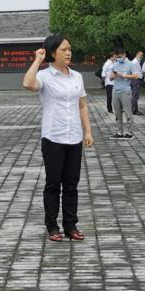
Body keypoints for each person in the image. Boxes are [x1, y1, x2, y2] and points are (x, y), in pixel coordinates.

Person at [22, 34, 93, 242]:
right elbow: (27, 84)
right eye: (64, 49)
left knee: (71, 185)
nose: (68, 53)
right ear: (53, 53)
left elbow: (82, 105)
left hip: (74, 137)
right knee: (53, 184)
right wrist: (38, 60)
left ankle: (71, 225)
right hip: (53, 137)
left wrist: (88, 131)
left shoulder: (77, 77)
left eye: (69, 49)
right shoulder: (44, 76)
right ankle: (52, 226)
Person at [108, 47, 139, 140]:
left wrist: (123, 75)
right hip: (115, 91)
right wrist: (113, 76)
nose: (119, 58)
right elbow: (110, 78)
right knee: (117, 113)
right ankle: (119, 132)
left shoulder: (130, 64)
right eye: (117, 57)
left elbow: (136, 76)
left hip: (125, 91)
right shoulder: (114, 64)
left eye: (120, 56)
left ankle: (130, 133)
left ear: (124, 54)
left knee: (128, 113)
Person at [130, 50, 145, 114]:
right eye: (141, 55)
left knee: (135, 95)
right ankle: (134, 110)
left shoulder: (137, 62)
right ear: (137, 55)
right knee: (135, 95)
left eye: (142, 55)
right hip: (135, 80)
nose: (142, 57)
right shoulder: (135, 62)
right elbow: (134, 72)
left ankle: (134, 109)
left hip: (136, 79)